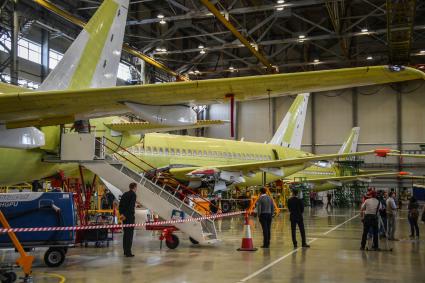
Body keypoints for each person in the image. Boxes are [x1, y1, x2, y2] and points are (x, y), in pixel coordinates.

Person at [119, 182, 137, 257]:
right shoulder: (133, 195)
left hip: (124, 217)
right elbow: (131, 207)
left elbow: (120, 206)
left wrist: (122, 214)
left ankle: (125, 251)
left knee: (125, 234)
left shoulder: (124, 194)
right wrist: (126, 215)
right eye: (136, 188)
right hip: (129, 217)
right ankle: (128, 252)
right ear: (134, 187)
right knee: (129, 235)